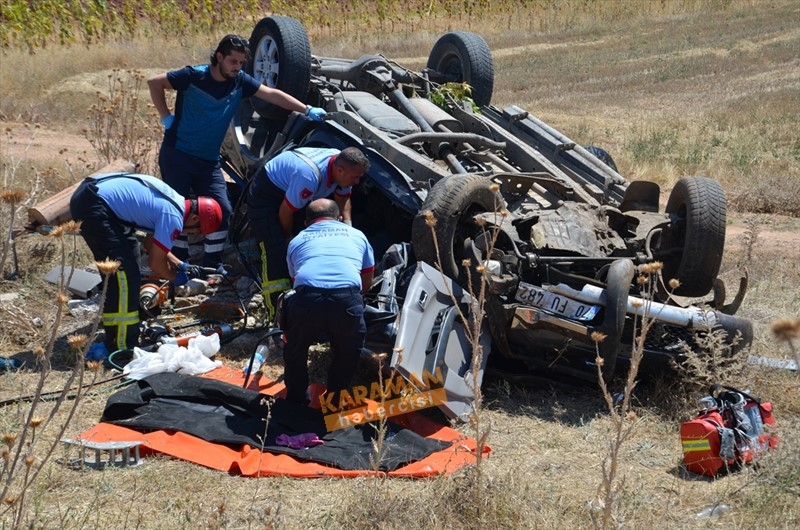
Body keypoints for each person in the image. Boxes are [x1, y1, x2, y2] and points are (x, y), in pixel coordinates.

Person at [147, 34, 326, 268]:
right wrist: (166, 117)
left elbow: (270, 94)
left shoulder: (239, 81)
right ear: (219, 57)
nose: (238, 67)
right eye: (233, 62)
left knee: (223, 210)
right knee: (176, 209)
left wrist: (306, 109)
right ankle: (181, 263)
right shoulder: (193, 76)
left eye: (241, 63)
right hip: (178, 154)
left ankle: (211, 265)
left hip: (209, 161)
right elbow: (154, 82)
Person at [70, 172, 222, 352]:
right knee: (123, 277)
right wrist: (175, 278)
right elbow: (156, 264)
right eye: (194, 231)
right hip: (95, 205)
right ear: (195, 218)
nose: (188, 234)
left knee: (130, 257)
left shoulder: (175, 202)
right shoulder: (173, 217)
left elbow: (152, 245)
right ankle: (121, 345)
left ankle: (129, 322)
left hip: (92, 194)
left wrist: (180, 264)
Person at [246, 146, 370, 319]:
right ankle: (276, 316)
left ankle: (303, 301)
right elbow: (285, 212)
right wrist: (288, 239)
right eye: (355, 177)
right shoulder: (308, 176)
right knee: (275, 251)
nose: (357, 182)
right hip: (267, 195)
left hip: (293, 193)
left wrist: (347, 228)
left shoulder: (341, 168)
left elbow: (343, 199)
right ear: (340, 170)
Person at [282, 198, 375, 406]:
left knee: (295, 349)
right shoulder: (357, 235)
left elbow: (296, 281)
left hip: (307, 299)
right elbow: (367, 276)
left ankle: (296, 403)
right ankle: (335, 402)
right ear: (339, 218)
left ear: (306, 222)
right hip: (346, 299)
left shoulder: (297, 240)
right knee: (347, 351)